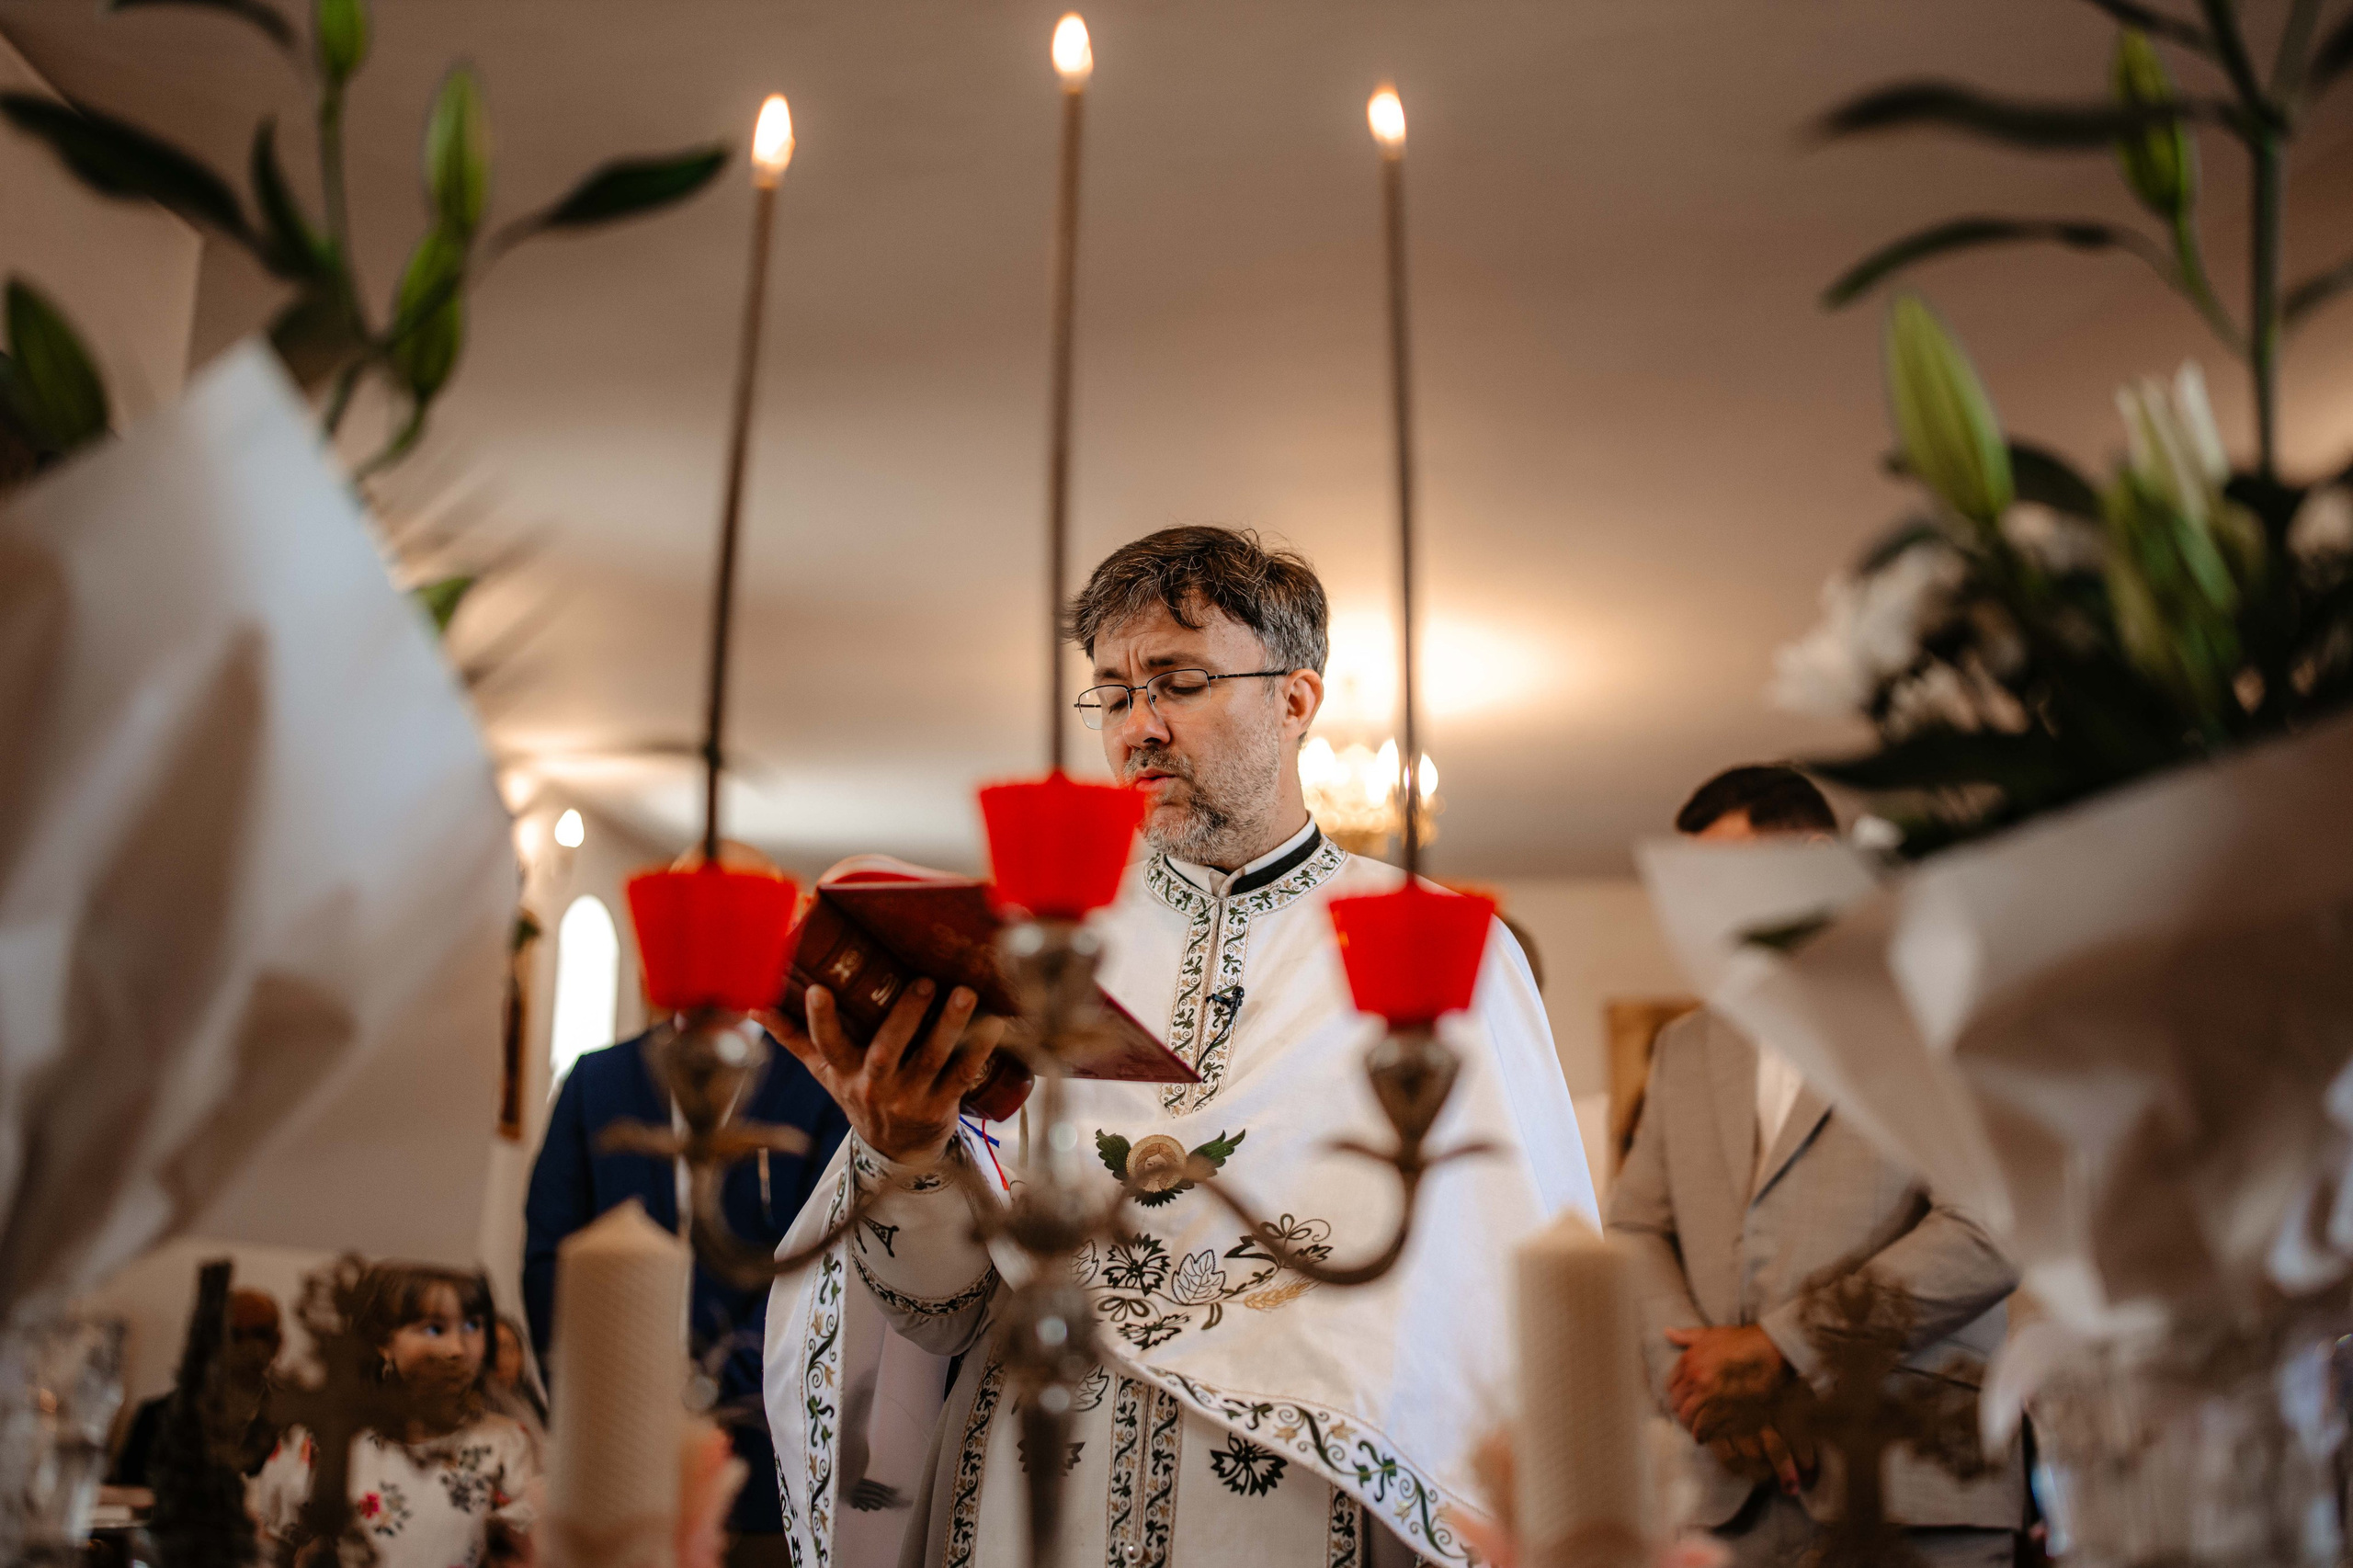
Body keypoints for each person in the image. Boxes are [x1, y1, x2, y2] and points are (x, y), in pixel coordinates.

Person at [761, 525, 1596, 1566]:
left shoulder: (1444, 948)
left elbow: (1514, 1310)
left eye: (1179, 682)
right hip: (1026, 1507)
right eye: (1112, 694)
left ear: (1296, 700)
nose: (1137, 729)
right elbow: (938, 1313)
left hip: (1297, 1520)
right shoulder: (1025, 950)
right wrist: (903, 1152)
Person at [1607, 766, 2024, 1568]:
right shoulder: (1686, 1045)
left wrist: (1780, 1347)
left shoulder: (1943, 1003)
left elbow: (1991, 1225)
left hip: (1914, 1482)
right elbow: (1634, 1226)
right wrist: (1703, 1392)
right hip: (1721, 1493)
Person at [524, 979, 850, 1564]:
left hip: (758, 1444)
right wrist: (605, 1395)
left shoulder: (813, 1086)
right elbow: (551, 1254)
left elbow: (822, 1257)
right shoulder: (598, 1080)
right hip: (609, 1433)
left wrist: (716, 1390)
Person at [249, 1265, 537, 1568]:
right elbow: (271, 1547)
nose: (457, 1349)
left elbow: (519, 1553)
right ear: (385, 1342)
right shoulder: (325, 1434)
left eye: (471, 1327)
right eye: (434, 1329)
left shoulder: (504, 1443)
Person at [111, 1287, 282, 1485]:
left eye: (258, 1335)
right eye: (233, 1335)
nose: (246, 1347)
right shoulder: (157, 1419)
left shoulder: (293, 1425)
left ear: (277, 1342)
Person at [485, 1317, 548, 1449]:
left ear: (521, 1356)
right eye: (493, 1349)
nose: (500, 1357)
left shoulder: (529, 1400)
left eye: (507, 1348)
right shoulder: (478, 1408)